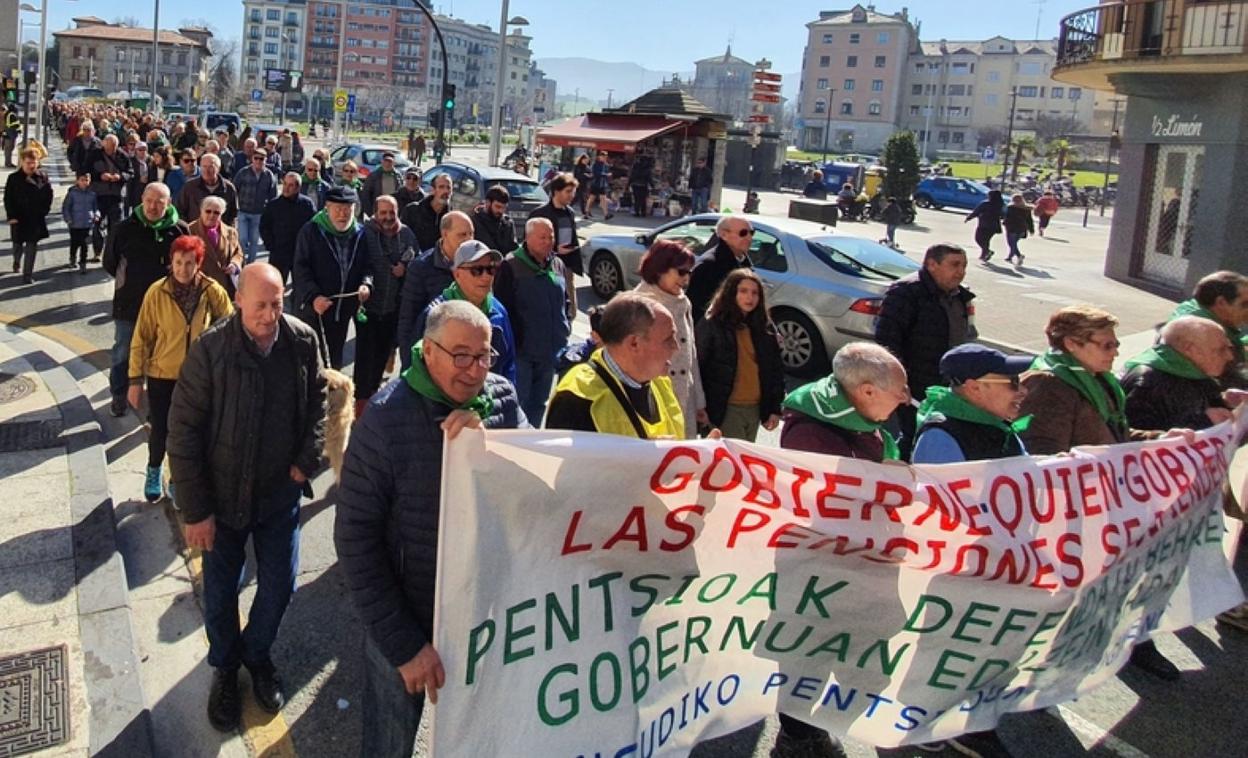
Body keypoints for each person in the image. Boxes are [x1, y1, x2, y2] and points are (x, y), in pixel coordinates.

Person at [334, 300, 525, 757]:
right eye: (461, 356)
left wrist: (492, 444)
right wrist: (404, 645)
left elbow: (535, 479)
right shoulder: (384, 419)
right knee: (391, 740)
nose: (475, 370)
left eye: (483, 357)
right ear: (428, 351)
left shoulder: (501, 399)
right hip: (410, 622)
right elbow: (356, 538)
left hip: (484, 617)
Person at [167, 263, 326, 733]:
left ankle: (257, 655)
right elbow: (183, 431)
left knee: (281, 584)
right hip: (222, 499)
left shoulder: (300, 340)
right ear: (238, 300)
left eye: (277, 304)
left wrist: (306, 458)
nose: (269, 315)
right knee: (220, 594)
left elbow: (318, 398)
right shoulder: (212, 349)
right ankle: (225, 668)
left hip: (279, 495)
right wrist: (196, 511)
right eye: (260, 305)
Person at [910, 343, 1031, 758]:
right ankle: (927, 723)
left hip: (998, 569)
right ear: (975, 388)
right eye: (1011, 383)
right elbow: (940, 517)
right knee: (948, 651)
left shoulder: (997, 427)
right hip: (964, 575)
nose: (1020, 392)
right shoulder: (944, 436)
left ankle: (970, 721)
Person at [127, 235, 233, 502]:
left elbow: (230, 328)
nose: (183, 269)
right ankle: (153, 469)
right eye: (178, 263)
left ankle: (178, 480)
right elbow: (142, 337)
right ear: (170, 263)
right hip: (162, 374)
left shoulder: (212, 291)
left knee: (189, 433)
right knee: (161, 429)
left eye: (189, 263)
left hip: (198, 377)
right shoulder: (157, 292)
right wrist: (134, 380)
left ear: (198, 264)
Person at [1018, 305, 1165, 455]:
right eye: (1107, 346)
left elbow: (1115, 436)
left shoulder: (1097, 377)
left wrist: (1160, 438)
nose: (1116, 352)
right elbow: (1042, 451)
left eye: (1116, 344)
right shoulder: (1048, 384)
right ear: (1071, 344)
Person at [875, 243, 976, 459]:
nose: (961, 272)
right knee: (914, 434)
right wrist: (899, 382)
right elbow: (887, 341)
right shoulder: (906, 293)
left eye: (964, 265)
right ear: (932, 264)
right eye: (954, 265)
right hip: (916, 384)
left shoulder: (959, 296)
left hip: (949, 385)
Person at [103, 182, 191, 415]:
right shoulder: (124, 229)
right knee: (124, 352)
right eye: (149, 200)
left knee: (159, 355)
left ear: (168, 203)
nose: (153, 206)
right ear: (142, 198)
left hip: (166, 307)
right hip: (129, 304)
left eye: (159, 202)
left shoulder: (180, 230)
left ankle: (154, 402)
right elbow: (110, 263)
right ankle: (119, 395)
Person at [546, 293, 683, 438]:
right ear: (634, 343)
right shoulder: (577, 399)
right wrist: (647, 456)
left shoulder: (659, 381)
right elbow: (563, 458)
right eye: (668, 339)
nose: (676, 346)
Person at [494, 217, 575, 425]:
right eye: (542, 237)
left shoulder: (556, 263)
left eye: (551, 237)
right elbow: (502, 309)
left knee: (540, 402)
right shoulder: (510, 265)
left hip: (550, 351)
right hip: (523, 352)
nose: (548, 241)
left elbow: (564, 299)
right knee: (517, 402)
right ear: (528, 238)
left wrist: (565, 324)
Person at [695, 269, 785, 442]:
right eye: (743, 291)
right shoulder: (713, 323)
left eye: (754, 293)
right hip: (726, 409)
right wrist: (701, 406)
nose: (749, 298)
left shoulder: (764, 327)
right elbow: (698, 366)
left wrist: (774, 408)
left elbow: (775, 369)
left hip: (755, 409)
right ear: (731, 293)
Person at [780, 341, 909, 460]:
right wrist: (885, 471)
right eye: (900, 391)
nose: (905, 398)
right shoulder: (809, 438)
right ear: (868, 391)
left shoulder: (855, 411)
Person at [413, 240, 517, 386]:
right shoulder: (436, 315)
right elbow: (420, 370)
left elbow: (509, 364)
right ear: (457, 274)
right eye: (477, 270)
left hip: (491, 401)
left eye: (491, 269)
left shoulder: (499, 310)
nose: (486, 276)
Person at [292, 186, 372, 369]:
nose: (343, 215)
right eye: (338, 209)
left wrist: (366, 284)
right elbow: (300, 268)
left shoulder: (360, 233)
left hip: (342, 311)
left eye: (348, 209)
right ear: (327, 207)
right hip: (314, 310)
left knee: (334, 361)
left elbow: (368, 267)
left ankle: (330, 396)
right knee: (309, 361)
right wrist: (314, 297)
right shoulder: (311, 230)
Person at [632, 240, 706, 438]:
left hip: (685, 396)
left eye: (690, 272)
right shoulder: (638, 303)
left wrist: (699, 402)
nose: (686, 278)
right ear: (660, 269)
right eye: (681, 272)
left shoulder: (683, 301)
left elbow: (691, 355)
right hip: (655, 397)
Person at [912, 344, 1032, 464]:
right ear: (974, 388)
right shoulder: (939, 439)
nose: (1024, 391)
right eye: (1014, 382)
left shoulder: (1001, 427)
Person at [355, 196, 419, 414]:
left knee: (382, 357)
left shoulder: (407, 234)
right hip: (369, 308)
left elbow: (416, 263)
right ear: (375, 213)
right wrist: (365, 285)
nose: (388, 217)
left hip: (394, 309)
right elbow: (361, 265)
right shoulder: (365, 234)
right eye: (383, 213)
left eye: (391, 212)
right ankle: (359, 405)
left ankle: (373, 401)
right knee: (364, 360)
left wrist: (405, 268)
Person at [396, 211, 474, 371]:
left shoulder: (478, 266)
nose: (468, 240)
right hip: (434, 354)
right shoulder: (421, 267)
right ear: (445, 234)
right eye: (462, 234)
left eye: (471, 234)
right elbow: (408, 318)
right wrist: (409, 364)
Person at [1167, 270, 1248, 380]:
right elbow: (1236, 378)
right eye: (1245, 304)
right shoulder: (1206, 336)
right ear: (1221, 303)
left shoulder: (1194, 309)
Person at [687, 215, 755, 322]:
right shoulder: (709, 265)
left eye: (751, 233)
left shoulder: (744, 262)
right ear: (724, 235)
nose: (749, 238)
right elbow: (696, 309)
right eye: (743, 233)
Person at [4, 148, 55, 284]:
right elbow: (8, 199)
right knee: (17, 244)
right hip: (18, 218)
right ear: (22, 162)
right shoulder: (14, 178)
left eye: (34, 162)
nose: (31, 165)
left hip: (35, 218)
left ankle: (27, 275)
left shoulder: (42, 177)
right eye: (28, 163)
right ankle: (16, 261)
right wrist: (11, 216)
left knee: (32, 246)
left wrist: (44, 210)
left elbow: (49, 194)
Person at [261, 172, 317, 286]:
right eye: (285, 184)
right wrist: (271, 245)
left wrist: (309, 247)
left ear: (298, 187)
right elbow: (264, 226)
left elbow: (314, 227)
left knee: (300, 287)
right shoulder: (273, 205)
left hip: (300, 253)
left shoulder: (307, 204)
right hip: (279, 253)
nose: (286, 188)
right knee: (276, 285)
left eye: (291, 185)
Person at [528, 172, 583, 281]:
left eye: (573, 192)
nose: (572, 195)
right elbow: (530, 244)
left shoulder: (570, 212)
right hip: (545, 266)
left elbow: (572, 237)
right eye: (568, 191)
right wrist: (554, 250)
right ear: (556, 191)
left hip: (567, 265)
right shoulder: (540, 213)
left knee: (568, 295)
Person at [188, 197, 244, 298]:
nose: (211, 215)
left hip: (224, 288)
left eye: (216, 213)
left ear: (221, 214)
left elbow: (237, 252)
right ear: (201, 211)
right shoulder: (189, 230)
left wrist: (234, 265)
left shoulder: (231, 232)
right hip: (199, 288)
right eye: (208, 211)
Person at [233, 148, 278, 264]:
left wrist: (270, 215)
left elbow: (273, 196)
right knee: (242, 239)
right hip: (243, 211)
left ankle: (250, 264)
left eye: (261, 159)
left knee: (254, 241)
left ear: (265, 160)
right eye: (256, 158)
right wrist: (234, 208)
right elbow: (234, 190)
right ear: (252, 159)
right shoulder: (243, 172)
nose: (258, 161)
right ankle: (241, 262)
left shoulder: (269, 175)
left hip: (259, 213)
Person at [88, 133, 133, 240]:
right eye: (108, 148)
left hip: (116, 195)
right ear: (103, 145)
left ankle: (111, 251)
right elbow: (86, 171)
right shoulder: (94, 155)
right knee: (97, 225)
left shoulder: (123, 156)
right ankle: (98, 251)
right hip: (98, 195)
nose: (110, 151)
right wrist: (100, 176)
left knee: (116, 227)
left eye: (113, 148)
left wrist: (120, 176)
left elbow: (130, 172)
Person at [177, 153, 239, 228]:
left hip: (220, 233)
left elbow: (233, 214)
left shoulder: (228, 188)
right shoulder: (190, 187)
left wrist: (228, 231)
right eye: (204, 166)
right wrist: (187, 229)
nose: (207, 170)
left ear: (218, 168)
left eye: (211, 167)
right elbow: (180, 210)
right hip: (195, 232)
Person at [62, 171, 100, 274]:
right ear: (77, 181)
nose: (84, 182)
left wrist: (96, 215)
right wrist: (68, 218)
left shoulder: (92, 194)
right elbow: (66, 207)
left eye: (86, 180)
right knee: (74, 243)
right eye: (82, 180)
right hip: (74, 223)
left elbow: (96, 207)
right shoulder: (72, 193)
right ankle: (72, 257)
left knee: (84, 244)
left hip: (87, 223)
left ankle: (83, 263)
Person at [401, 173, 451, 251]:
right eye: (441, 187)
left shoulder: (451, 218)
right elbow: (401, 239)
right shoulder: (412, 210)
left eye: (449, 187)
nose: (446, 191)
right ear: (433, 190)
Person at [471, 185, 516, 255]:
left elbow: (513, 250)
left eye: (504, 208)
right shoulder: (473, 222)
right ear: (488, 203)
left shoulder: (508, 224)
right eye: (498, 207)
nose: (501, 211)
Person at [965, 189, 1005, 261]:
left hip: (984, 224)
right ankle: (984, 255)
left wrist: (969, 217)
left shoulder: (985, 203)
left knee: (978, 239)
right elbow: (1003, 214)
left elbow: (976, 211)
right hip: (994, 225)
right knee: (986, 240)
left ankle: (987, 251)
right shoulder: (1001, 204)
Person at [359, 152, 401, 217]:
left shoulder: (398, 176)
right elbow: (366, 194)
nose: (387, 164)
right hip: (378, 210)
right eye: (385, 161)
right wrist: (370, 212)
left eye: (390, 161)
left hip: (392, 210)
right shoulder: (373, 176)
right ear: (382, 162)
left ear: (393, 163)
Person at [1003, 194, 1034, 265]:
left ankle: (1018, 256)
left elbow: (1007, 217)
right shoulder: (1026, 209)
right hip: (1022, 229)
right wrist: (1031, 229)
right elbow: (1029, 220)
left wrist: (1004, 223)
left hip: (1012, 228)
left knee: (1012, 244)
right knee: (1013, 244)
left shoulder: (1011, 208)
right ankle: (1010, 257)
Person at [126, 142, 153, 216]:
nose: (142, 152)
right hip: (136, 189)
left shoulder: (151, 160)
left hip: (148, 188)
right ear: (136, 151)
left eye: (144, 149)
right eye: (140, 150)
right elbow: (130, 174)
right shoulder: (131, 160)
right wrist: (139, 179)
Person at [584, 151, 613, 220]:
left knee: (603, 199)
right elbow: (596, 173)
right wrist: (606, 175)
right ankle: (587, 212)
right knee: (591, 199)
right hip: (595, 183)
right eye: (603, 156)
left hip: (602, 184)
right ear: (599, 157)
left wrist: (607, 177)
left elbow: (606, 173)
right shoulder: (596, 164)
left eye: (605, 157)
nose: (604, 158)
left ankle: (606, 214)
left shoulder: (606, 165)